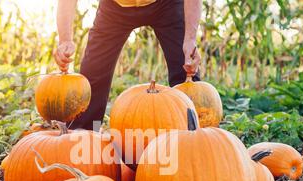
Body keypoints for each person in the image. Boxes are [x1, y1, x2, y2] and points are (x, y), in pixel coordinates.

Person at [55, 0, 202, 130]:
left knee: (185, 66)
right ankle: (86, 134)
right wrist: (65, 40)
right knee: (93, 75)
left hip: (166, 5)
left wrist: (190, 39)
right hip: (114, 8)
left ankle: (194, 135)